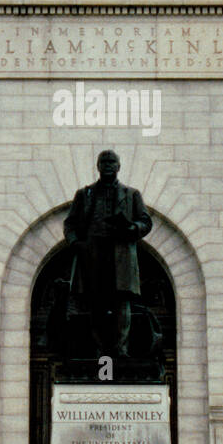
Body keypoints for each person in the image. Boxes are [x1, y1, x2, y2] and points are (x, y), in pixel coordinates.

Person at [63, 150, 152, 360]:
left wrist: (132, 229)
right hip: (93, 255)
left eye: (112, 162)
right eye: (104, 162)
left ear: (119, 166)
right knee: (96, 303)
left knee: (121, 302)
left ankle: (121, 348)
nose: (108, 165)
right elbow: (70, 224)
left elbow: (146, 222)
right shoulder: (84, 194)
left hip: (120, 255)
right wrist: (76, 243)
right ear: (98, 166)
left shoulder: (132, 194)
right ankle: (99, 348)